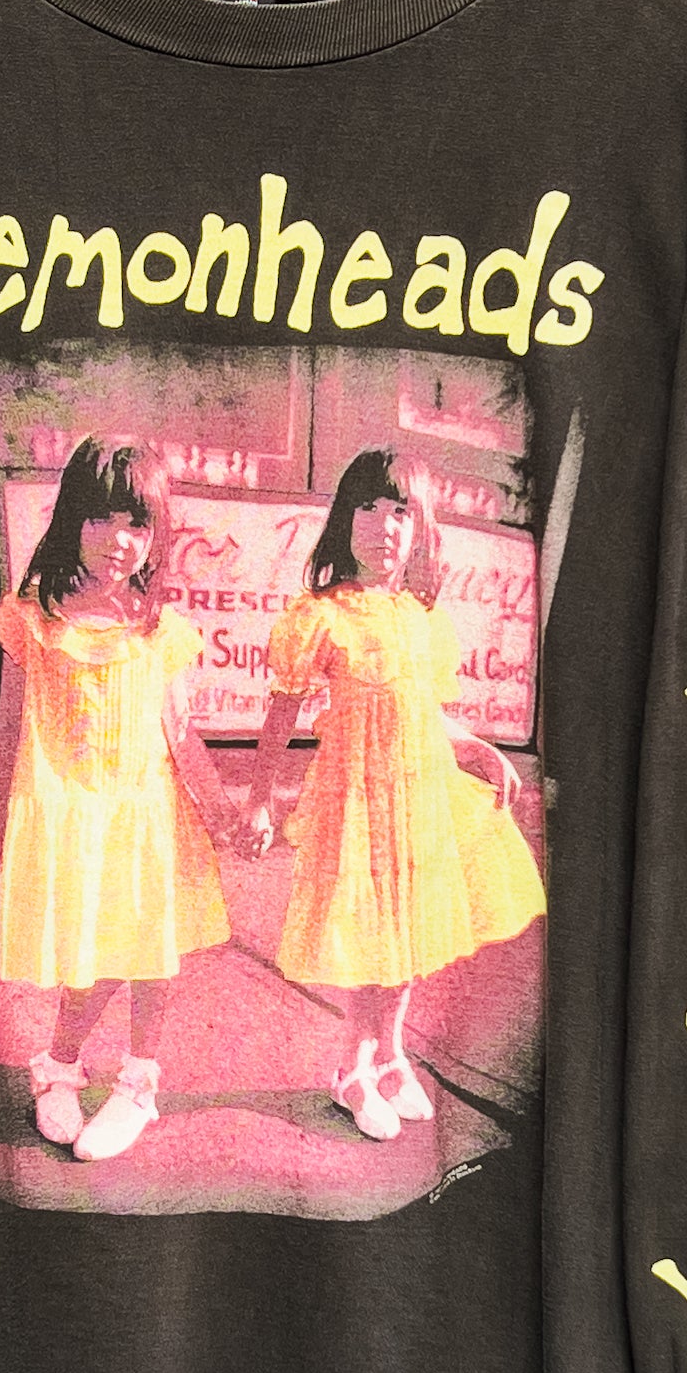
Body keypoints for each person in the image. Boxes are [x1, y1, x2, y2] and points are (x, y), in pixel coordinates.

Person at [235, 448, 547, 1140]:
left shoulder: (422, 617)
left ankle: (392, 1053)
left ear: (421, 526)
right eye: (368, 508)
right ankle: (352, 1068)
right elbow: (282, 714)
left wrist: (477, 748)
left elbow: (425, 713)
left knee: (412, 930)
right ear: (344, 521)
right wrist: (260, 798)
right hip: (357, 801)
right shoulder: (322, 616)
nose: (384, 525)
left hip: (420, 796)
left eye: (401, 510)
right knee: (371, 934)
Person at [0, 435, 235, 1161]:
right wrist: (4, 822)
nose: (119, 540)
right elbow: (8, 727)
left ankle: (137, 1086)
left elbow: (182, 734)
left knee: (150, 953)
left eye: (137, 523)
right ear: (72, 518)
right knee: (92, 957)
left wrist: (222, 812)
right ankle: (60, 1067)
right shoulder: (35, 616)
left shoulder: (157, 626)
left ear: (157, 533)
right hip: (71, 815)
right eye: (101, 518)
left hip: (149, 817)